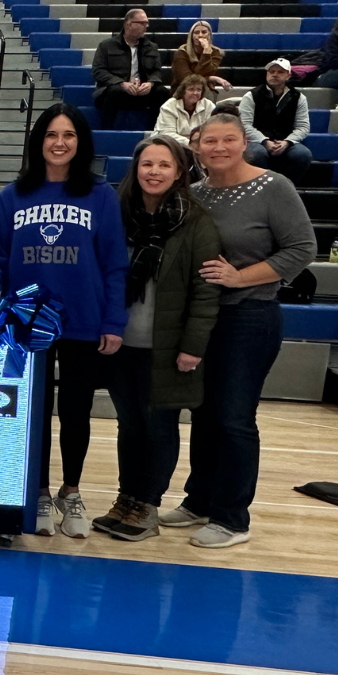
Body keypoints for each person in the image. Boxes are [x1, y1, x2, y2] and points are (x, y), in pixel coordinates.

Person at [0, 103, 129, 538]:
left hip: (83, 320)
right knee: (33, 413)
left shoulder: (100, 195)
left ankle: (70, 492)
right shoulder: (13, 195)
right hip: (27, 325)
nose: (59, 143)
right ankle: (37, 492)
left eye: (69, 136)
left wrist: (113, 321)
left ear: (81, 143)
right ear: (38, 143)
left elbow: (115, 264)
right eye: (51, 136)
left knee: (76, 413)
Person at [159, 113, 317, 548]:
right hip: (203, 319)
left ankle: (232, 519)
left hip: (250, 316)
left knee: (234, 418)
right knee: (205, 414)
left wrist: (240, 277)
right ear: (196, 146)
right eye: (211, 141)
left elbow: (303, 248)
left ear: (244, 141)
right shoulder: (193, 193)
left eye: (229, 139)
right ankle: (200, 501)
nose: (220, 148)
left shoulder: (273, 187)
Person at [93, 136, 221, 542]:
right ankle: (125, 500)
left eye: (164, 165)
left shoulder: (196, 221)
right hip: (120, 342)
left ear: (180, 171)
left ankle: (147, 506)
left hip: (166, 347)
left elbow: (206, 290)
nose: (154, 172)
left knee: (158, 427)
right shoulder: (118, 214)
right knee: (129, 426)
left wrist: (192, 346)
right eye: (147, 164)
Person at [91, 9, 170, 128]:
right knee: (114, 92)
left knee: (162, 92)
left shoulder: (151, 47)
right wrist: (121, 83)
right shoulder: (106, 45)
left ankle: (155, 131)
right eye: (142, 23)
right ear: (129, 24)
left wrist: (150, 83)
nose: (146, 27)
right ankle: (106, 131)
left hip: (141, 92)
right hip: (117, 91)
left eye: (147, 23)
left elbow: (157, 71)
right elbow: (98, 71)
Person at [237, 59, 312, 181]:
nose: (275, 74)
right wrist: (264, 141)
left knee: (303, 155)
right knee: (256, 154)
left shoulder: (299, 97)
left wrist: (287, 142)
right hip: (256, 141)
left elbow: (303, 127)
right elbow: (244, 125)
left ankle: (287, 186)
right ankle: (260, 185)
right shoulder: (251, 95)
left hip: (286, 141)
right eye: (271, 71)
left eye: (280, 72)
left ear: (288, 75)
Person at [153, 74, 216, 147]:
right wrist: (191, 143)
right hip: (171, 146)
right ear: (183, 91)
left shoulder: (209, 105)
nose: (195, 93)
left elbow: (212, 130)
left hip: (199, 146)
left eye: (199, 90)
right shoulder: (169, 106)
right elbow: (167, 134)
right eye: (191, 89)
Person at [169, 20, 231, 92]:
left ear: (209, 35)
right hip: (182, 89)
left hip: (205, 87)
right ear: (191, 36)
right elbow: (187, 79)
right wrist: (211, 78)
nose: (200, 35)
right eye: (196, 32)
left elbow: (207, 71)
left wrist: (206, 52)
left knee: (206, 90)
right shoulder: (181, 52)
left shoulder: (216, 52)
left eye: (204, 32)